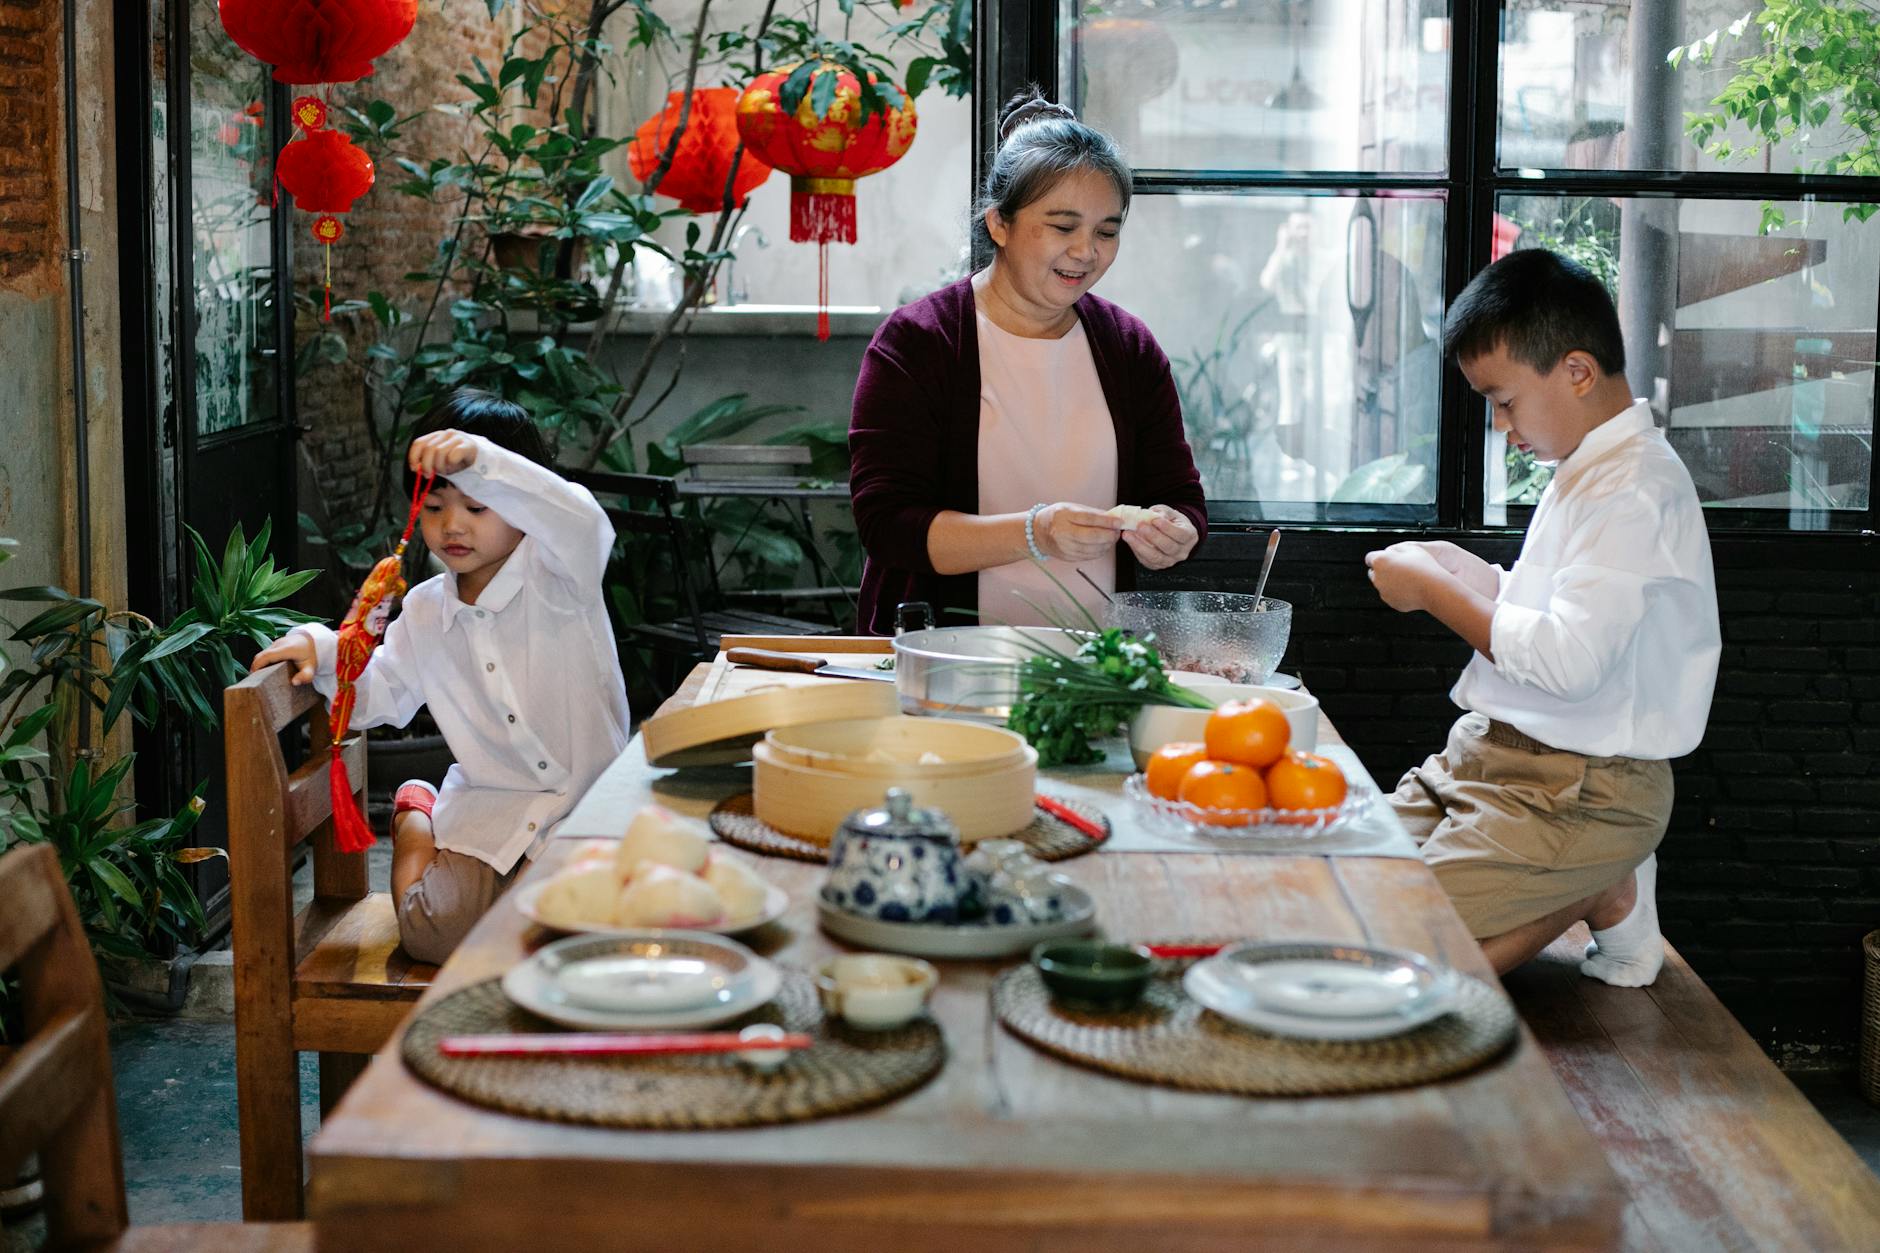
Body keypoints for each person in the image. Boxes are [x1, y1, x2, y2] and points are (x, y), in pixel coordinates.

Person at [1364, 249, 1719, 984]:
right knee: (1344, 893)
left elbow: (1565, 661)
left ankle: (1599, 880)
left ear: (1578, 373)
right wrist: (1463, 570)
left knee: (1396, 955)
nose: (1499, 426)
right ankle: (1603, 885)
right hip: (1490, 759)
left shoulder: (1634, 490)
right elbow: (1556, 617)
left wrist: (1434, 592)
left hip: (1584, 790)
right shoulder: (1585, 468)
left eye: (1504, 401)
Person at [252, 388, 630, 963]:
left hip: (590, 814)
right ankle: (418, 820)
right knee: (434, 936)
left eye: (478, 506)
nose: (452, 524)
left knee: (574, 939)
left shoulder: (562, 572)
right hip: (489, 815)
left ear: (520, 502)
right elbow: (380, 696)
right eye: (434, 506)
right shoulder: (426, 609)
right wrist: (325, 649)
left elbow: (581, 518)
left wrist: (482, 459)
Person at [849, 87, 1206, 634]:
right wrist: (1035, 533)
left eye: (1106, 232)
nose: (1086, 252)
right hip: (943, 654)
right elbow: (889, 524)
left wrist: (1175, 532)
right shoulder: (919, 343)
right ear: (999, 224)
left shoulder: (1128, 349)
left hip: (1093, 660)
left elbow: (1178, 494)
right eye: (1063, 227)